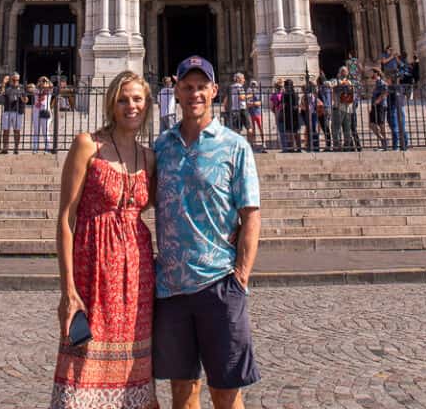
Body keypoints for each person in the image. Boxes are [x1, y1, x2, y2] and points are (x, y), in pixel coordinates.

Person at [153, 55, 261, 408]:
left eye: (201, 86)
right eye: (187, 87)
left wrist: (240, 277)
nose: (194, 93)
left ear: (215, 90)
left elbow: (250, 215)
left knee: (226, 392)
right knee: (182, 391)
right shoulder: (162, 147)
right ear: (176, 91)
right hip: (171, 288)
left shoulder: (235, 146)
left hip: (220, 285)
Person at [51, 71, 158, 408]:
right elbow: (67, 217)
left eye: (137, 99)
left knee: (132, 368)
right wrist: (68, 290)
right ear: (111, 103)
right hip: (92, 270)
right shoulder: (88, 145)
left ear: (148, 105)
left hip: (136, 277)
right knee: (83, 365)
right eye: (123, 99)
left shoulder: (149, 158)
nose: (131, 106)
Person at [0, 73, 27, 154]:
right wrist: (3, 82)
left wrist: (22, 97)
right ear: (11, 80)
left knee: (17, 131)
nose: (15, 82)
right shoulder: (7, 87)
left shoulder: (21, 87)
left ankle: (16, 148)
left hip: (18, 111)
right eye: (14, 80)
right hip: (7, 110)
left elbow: (26, 100)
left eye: (17, 80)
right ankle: (5, 148)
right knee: (6, 130)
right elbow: (1, 92)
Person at [331, 67, 355, 151]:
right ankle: (346, 146)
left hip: (339, 107)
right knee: (346, 128)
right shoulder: (350, 82)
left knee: (337, 128)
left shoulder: (337, 81)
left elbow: (329, 84)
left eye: (344, 71)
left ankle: (338, 146)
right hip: (347, 108)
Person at [223, 72, 251, 142]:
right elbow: (241, 97)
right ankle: (250, 144)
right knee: (249, 127)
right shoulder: (239, 87)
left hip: (234, 109)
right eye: (243, 78)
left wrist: (226, 108)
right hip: (242, 109)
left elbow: (225, 100)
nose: (244, 80)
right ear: (239, 79)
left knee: (237, 129)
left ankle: (237, 143)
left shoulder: (231, 87)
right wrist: (250, 95)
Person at [30, 76, 53, 153]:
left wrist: (46, 80)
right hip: (36, 111)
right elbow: (29, 87)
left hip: (45, 111)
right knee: (36, 131)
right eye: (41, 81)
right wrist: (39, 82)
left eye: (44, 82)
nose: (42, 83)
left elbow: (51, 85)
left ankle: (47, 148)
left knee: (45, 130)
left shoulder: (49, 91)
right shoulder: (36, 90)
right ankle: (35, 148)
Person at [369, 68, 389, 151]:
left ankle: (385, 142)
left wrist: (378, 101)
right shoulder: (376, 83)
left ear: (376, 73)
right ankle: (382, 140)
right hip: (375, 106)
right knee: (371, 125)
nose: (371, 75)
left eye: (372, 73)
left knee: (381, 124)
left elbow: (385, 92)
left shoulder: (381, 82)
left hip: (380, 106)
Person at [281, 79, 301, 152]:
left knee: (290, 131)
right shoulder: (295, 94)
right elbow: (296, 105)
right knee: (295, 131)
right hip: (294, 114)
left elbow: (282, 105)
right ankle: (298, 148)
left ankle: (291, 148)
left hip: (288, 114)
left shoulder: (285, 94)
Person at [300, 81, 321, 152]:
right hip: (312, 113)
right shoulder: (312, 95)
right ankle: (314, 145)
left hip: (310, 114)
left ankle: (313, 146)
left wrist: (302, 107)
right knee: (312, 130)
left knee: (312, 130)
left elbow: (305, 106)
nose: (302, 90)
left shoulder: (307, 96)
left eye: (303, 89)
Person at [247, 79, 267, 151]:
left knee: (261, 128)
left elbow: (260, 103)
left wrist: (252, 103)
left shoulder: (259, 92)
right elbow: (247, 103)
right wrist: (254, 103)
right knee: (252, 129)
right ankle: (252, 143)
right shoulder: (248, 93)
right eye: (252, 85)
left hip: (258, 112)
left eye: (254, 85)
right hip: (250, 112)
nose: (253, 87)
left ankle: (263, 142)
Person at [316, 72, 333, 151]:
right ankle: (328, 144)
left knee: (325, 128)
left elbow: (321, 100)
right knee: (326, 127)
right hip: (329, 108)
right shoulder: (328, 89)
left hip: (322, 109)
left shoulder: (321, 89)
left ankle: (328, 145)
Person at [269, 78, 287, 151]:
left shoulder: (274, 95)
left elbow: (271, 106)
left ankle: (283, 145)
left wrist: (275, 110)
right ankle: (287, 145)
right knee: (286, 128)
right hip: (283, 111)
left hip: (278, 111)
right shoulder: (284, 94)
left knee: (281, 128)